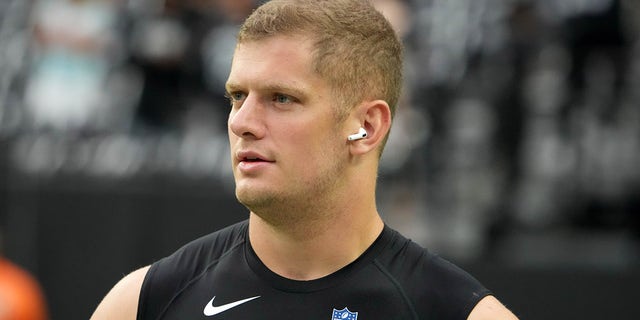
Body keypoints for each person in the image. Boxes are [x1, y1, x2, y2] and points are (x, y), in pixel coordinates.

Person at [91, 0, 519, 319]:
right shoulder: (144, 303)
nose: (242, 122)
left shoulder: (458, 313)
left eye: (281, 98)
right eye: (237, 96)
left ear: (366, 128)